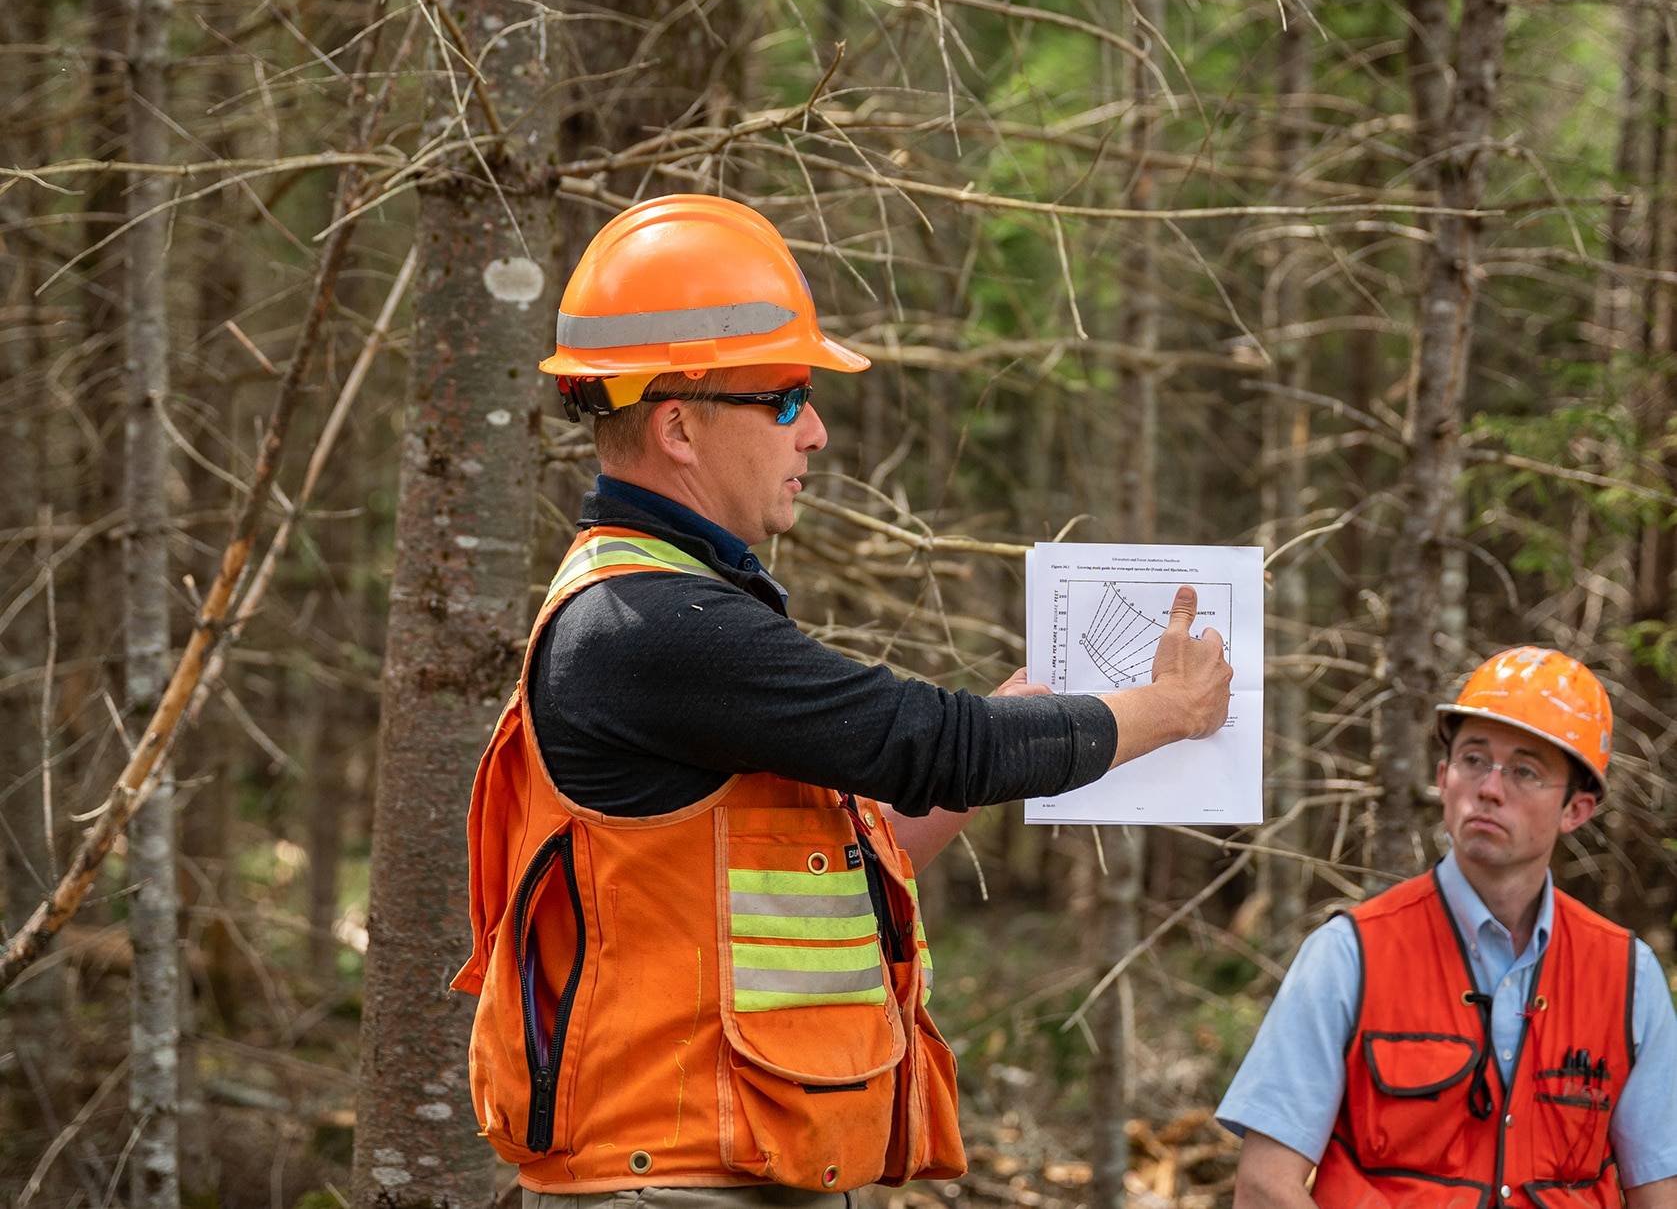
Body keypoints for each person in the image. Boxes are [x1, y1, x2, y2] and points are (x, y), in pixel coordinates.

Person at [448, 193, 1232, 1207]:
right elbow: (929, 741)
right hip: (676, 1183)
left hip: (730, 1171)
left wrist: (1009, 719)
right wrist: (1164, 712)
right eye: (783, 396)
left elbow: (862, 850)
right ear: (680, 426)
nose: (813, 431)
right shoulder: (651, 626)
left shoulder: (675, 617)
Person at [1219, 646, 1677, 1208]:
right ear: (1443, 777)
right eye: (1474, 760)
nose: (1489, 787)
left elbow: (1659, 1192)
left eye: (1525, 771)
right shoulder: (1350, 956)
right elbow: (1264, 1188)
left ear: (1575, 810)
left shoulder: (1627, 977)